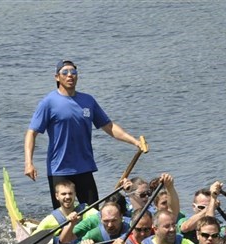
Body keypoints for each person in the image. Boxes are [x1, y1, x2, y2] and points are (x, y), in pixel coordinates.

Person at [24, 59, 145, 209]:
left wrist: (135, 142)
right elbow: (32, 133)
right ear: (57, 77)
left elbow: (109, 126)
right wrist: (29, 163)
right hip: (59, 169)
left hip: (84, 167)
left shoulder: (88, 100)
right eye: (65, 72)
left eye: (73, 72)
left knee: (93, 214)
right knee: (63, 216)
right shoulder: (49, 102)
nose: (70, 75)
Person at [31, 180, 95, 244]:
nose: (67, 197)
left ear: (75, 194)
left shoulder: (87, 211)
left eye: (70, 193)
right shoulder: (50, 220)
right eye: (63, 194)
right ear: (57, 196)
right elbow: (32, 240)